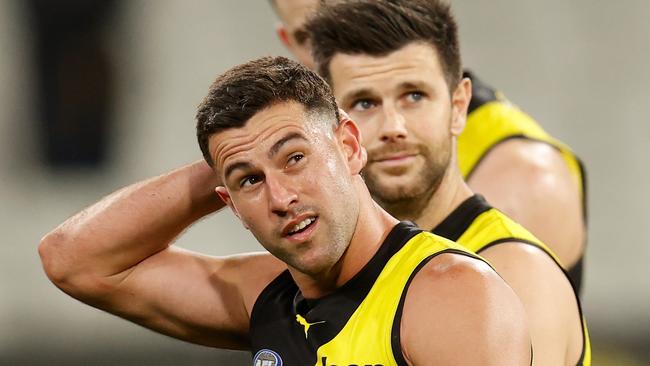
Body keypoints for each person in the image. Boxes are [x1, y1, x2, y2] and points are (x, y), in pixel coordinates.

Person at [39, 56, 532, 365]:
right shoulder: (265, 296)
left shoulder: (450, 296)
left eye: (295, 158)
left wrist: (241, 157)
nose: (280, 199)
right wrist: (227, 158)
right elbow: (73, 259)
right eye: (250, 182)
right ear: (228, 204)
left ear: (349, 146)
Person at [303, 1, 591, 365]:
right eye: (364, 103)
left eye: (414, 97)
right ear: (333, 129)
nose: (393, 127)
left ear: (458, 107)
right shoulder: (329, 267)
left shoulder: (515, 274)